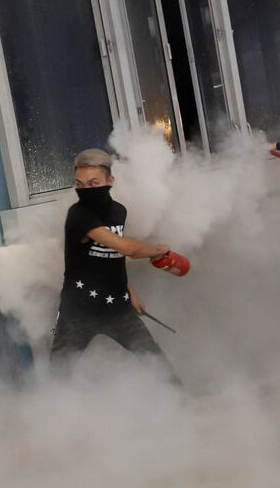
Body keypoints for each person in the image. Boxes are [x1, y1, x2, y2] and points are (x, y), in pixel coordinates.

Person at [50, 148, 182, 385]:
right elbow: (127, 249)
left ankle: (184, 410)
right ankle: (52, 420)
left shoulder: (118, 211)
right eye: (80, 185)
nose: (86, 190)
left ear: (110, 181)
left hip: (117, 309)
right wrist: (157, 250)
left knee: (154, 359)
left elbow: (111, 257)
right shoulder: (78, 215)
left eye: (94, 183)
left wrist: (131, 293)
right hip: (77, 311)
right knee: (59, 374)